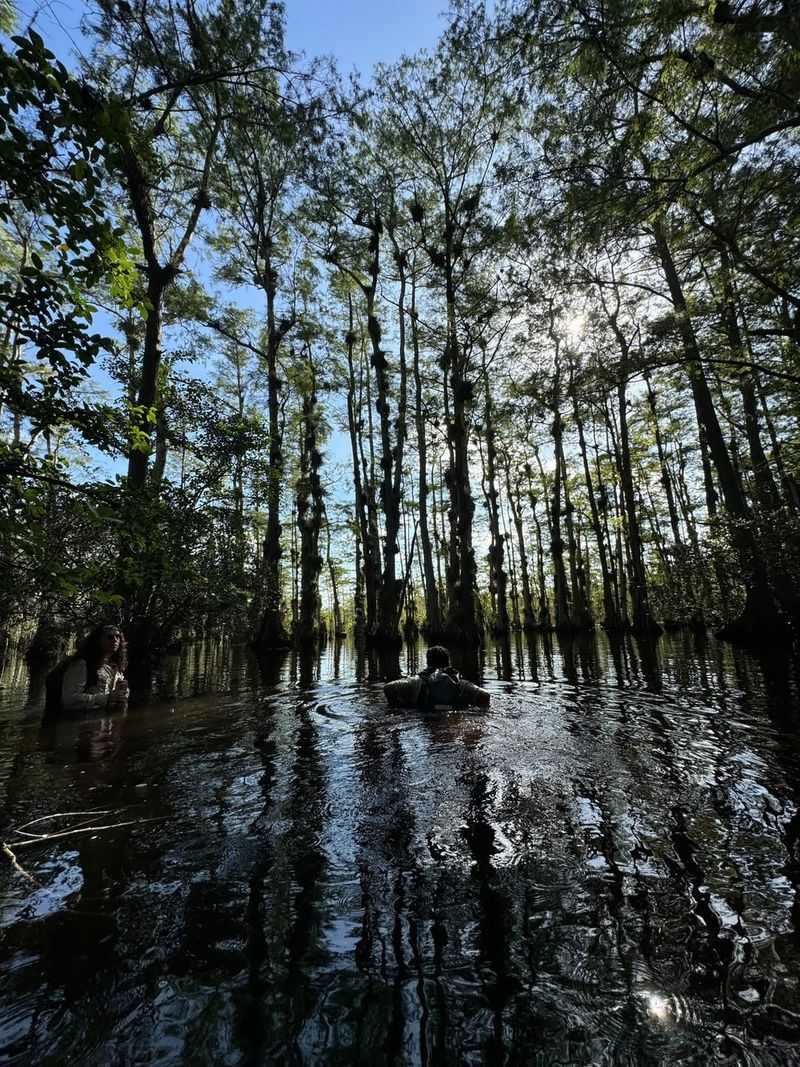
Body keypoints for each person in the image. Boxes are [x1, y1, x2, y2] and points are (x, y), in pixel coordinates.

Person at [44, 624, 129, 715]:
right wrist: (106, 698)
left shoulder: (115, 667)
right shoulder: (81, 664)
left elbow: (116, 696)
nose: (115, 640)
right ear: (98, 640)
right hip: (79, 720)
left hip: (104, 719)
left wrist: (123, 692)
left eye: (118, 636)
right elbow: (69, 700)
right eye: (110, 637)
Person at [384, 645, 490, 710]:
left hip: (426, 719)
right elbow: (485, 695)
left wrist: (401, 708)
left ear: (428, 662)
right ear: (448, 662)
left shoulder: (416, 681)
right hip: (454, 720)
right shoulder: (460, 683)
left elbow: (388, 687)